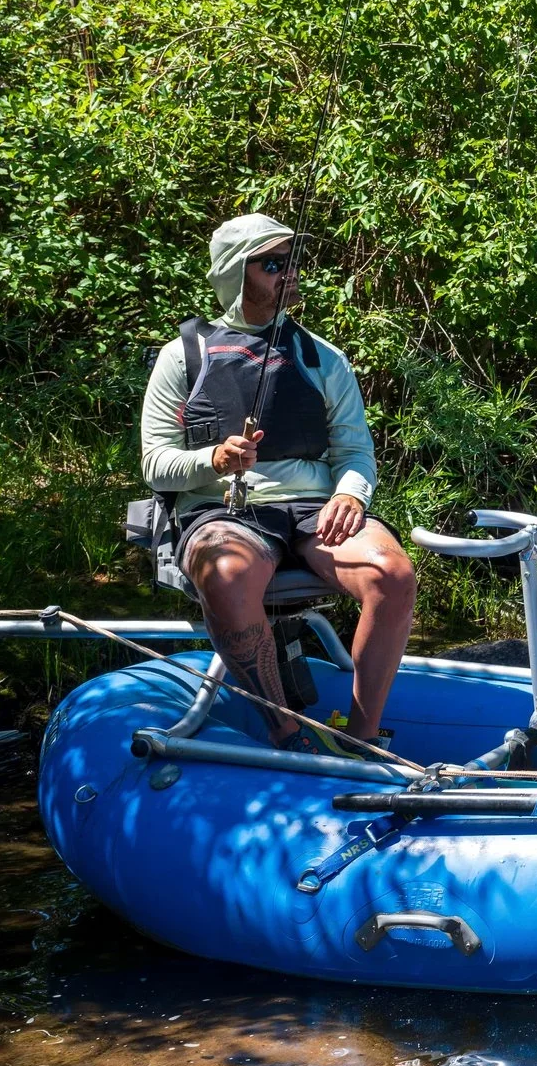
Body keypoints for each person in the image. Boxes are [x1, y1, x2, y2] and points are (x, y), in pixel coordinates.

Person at [139, 214, 418, 749]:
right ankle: (287, 734)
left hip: (316, 508)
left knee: (393, 574)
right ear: (233, 273)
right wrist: (214, 460)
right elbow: (156, 463)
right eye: (271, 264)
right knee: (225, 574)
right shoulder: (183, 357)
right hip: (224, 511)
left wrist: (349, 493)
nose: (287, 275)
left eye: (290, 263)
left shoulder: (322, 356)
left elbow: (355, 451)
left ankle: (361, 738)